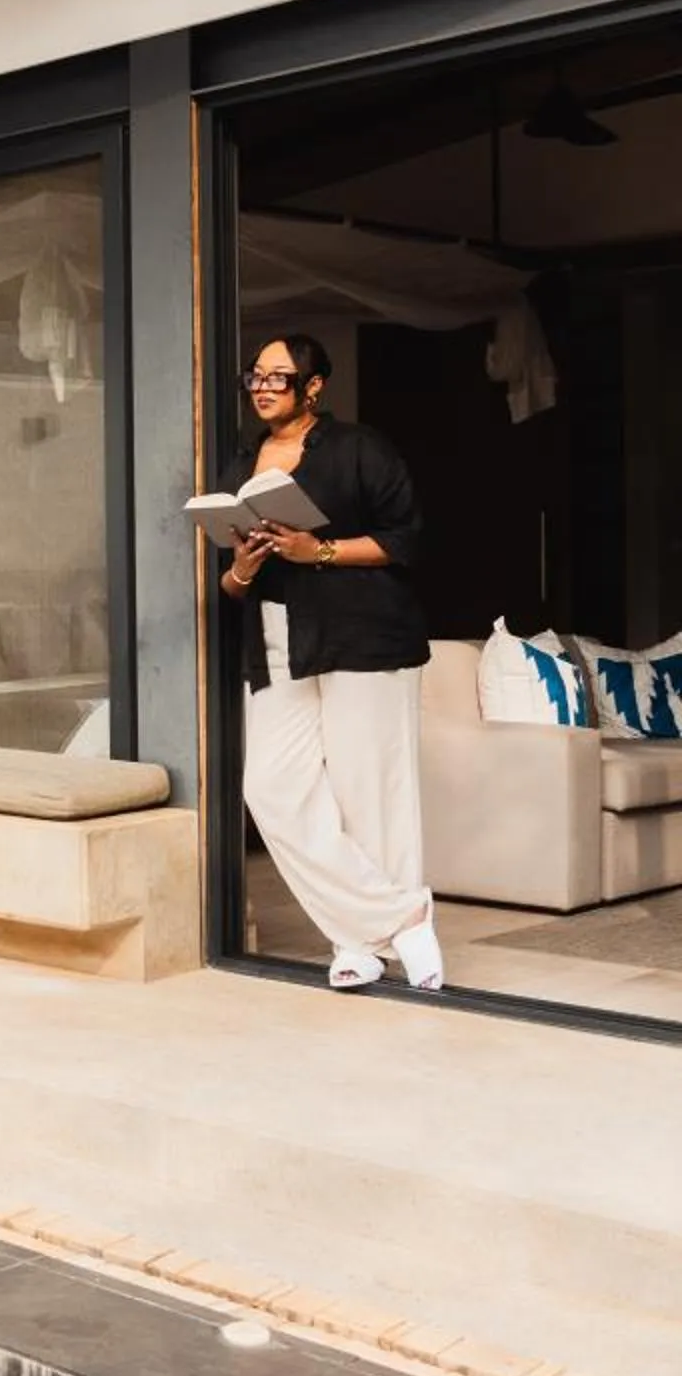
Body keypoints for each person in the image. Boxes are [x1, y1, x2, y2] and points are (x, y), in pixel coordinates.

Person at [221, 332, 442, 992]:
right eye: (255, 376)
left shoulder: (359, 449)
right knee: (271, 788)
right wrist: (239, 567)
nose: (262, 387)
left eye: (278, 378)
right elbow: (229, 584)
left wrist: (316, 552)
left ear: (314, 388)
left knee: (371, 791)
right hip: (277, 638)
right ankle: (401, 917)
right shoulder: (242, 462)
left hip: (362, 635)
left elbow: (407, 539)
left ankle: (356, 944)